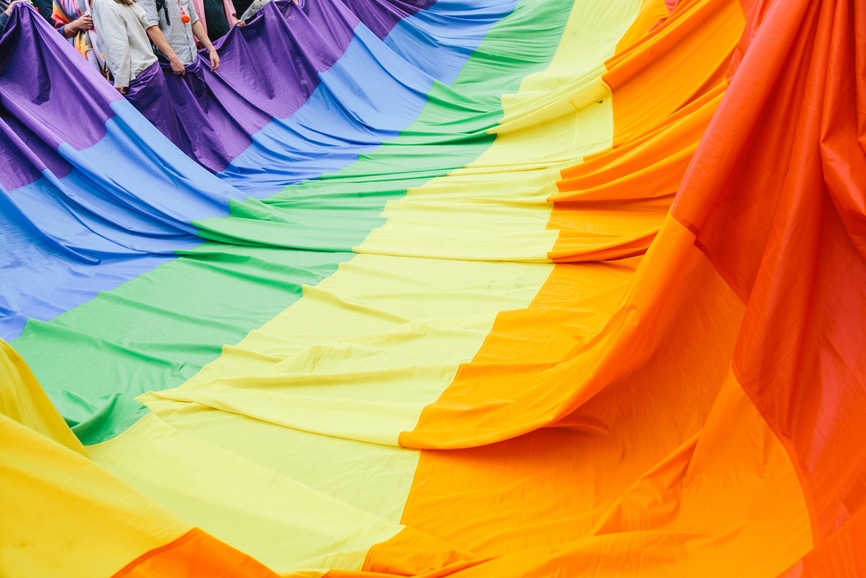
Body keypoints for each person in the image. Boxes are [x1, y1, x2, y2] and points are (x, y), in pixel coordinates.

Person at [138, 0, 219, 72]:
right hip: (170, 65)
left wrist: (211, 49)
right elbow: (151, 27)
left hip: (193, 60)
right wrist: (173, 58)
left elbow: (194, 20)